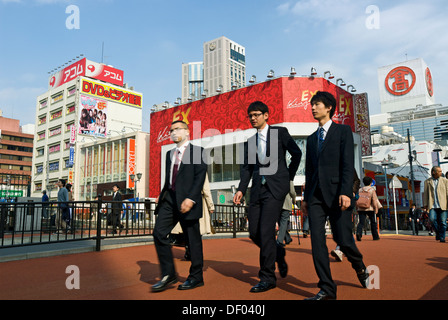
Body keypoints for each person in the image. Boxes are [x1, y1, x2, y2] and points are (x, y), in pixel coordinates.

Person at [302, 91, 369, 300]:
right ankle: (327, 288)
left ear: (329, 107)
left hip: (338, 195)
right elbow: (309, 170)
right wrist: (305, 197)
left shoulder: (342, 131)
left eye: (317, 104)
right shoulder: (311, 139)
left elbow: (348, 164)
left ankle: (359, 265)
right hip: (315, 198)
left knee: (344, 240)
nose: (313, 108)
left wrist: (346, 192)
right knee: (317, 242)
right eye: (312, 105)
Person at [233, 101, 302, 293]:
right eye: (250, 116)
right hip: (257, 190)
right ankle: (278, 252)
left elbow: (296, 153)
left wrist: (288, 177)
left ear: (266, 115)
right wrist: (240, 189)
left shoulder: (280, 133)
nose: (253, 118)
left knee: (265, 231)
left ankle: (267, 277)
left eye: (256, 114)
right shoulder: (250, 142)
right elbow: (246, 169)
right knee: (254, 232)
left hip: (275, 190)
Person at [151, 120, 207, 292]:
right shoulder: (169, 153)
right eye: (171, 130)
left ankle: (196, 277)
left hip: (188, 201)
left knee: (192, 240)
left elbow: (200, 177)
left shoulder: (198, 151)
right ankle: (169, 274)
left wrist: (191, 198)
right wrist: (161, 197)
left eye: (177, 129)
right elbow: (169, 178)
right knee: (159, 233)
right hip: (169, 200)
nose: (174, 133)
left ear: (187, 131)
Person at [171, 172, 215, 261]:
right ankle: (194, 254)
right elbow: (206, 189)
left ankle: (189, 250)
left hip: (183, 201)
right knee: (197, 230)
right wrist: (211, 205)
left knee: (187, 229)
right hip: (198, 202)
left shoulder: (182, 168)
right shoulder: (200, 170)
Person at [331, 168, 361, 262]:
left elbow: (356, 180)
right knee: (343, 228)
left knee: (343, 227)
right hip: (334, 200)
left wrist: (351, 192)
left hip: (346, 200)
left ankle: (339, 249)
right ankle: (349, 249)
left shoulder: (346, 164)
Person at [423, 166, 448, 242]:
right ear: (434, 172)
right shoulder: (427, 182)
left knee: (443, 222)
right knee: (432, 219)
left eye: (441, 171)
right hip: (432, 205)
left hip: (443, 204)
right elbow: (426, 194)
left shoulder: (445, 181)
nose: (441, 172)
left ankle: (442, 238)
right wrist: (425, 205)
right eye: (439, 171)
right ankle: (438, 233)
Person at [355, 176, 380, 241]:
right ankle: (375, 236)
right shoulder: (371, 190)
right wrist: (376, 208)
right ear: (371, 182)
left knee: (361, 222)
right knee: (373, 222)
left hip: (361, 208)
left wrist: (357, 207)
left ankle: (359, 233)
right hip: (370, 208)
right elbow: (374, 200)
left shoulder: (360, 190)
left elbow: (357, 199)